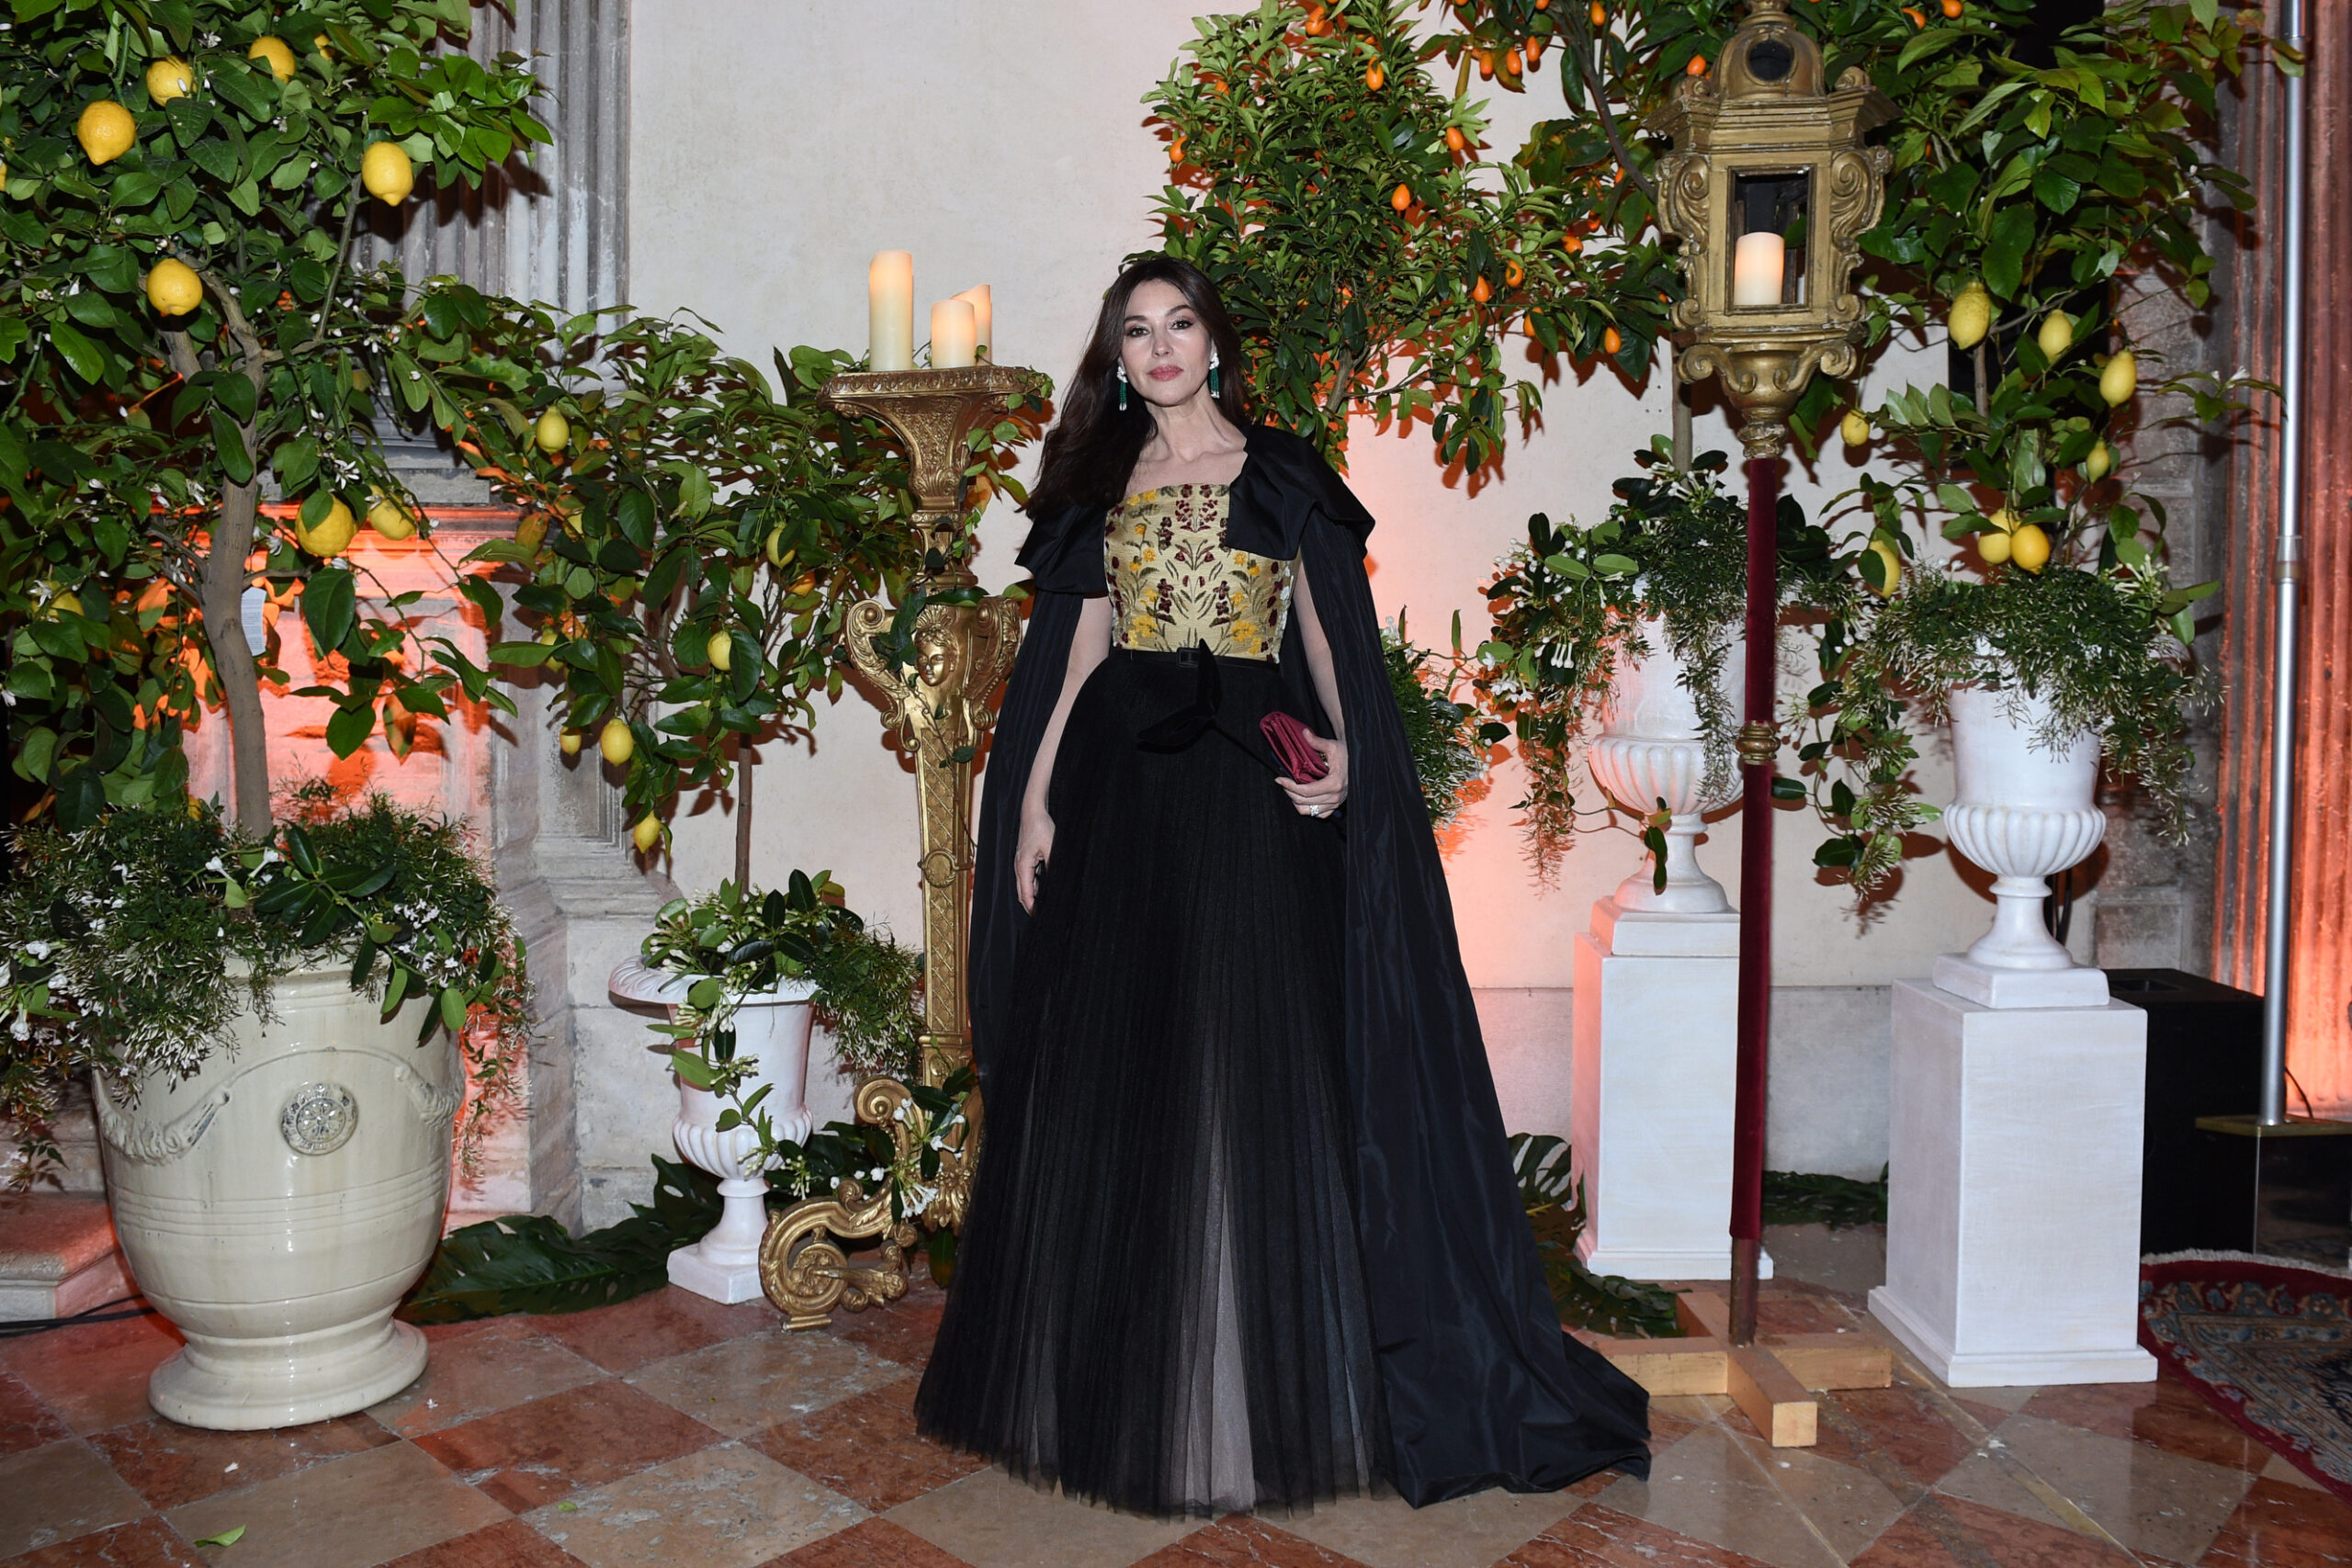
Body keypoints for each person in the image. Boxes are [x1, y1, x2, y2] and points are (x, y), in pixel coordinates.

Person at [914, 255, 1651, 1517]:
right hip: (1118, 795)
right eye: (1136, 331)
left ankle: (1250, 1387)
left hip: (1250, 791)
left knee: (1253, 1062)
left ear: (1214, 343)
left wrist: (1351, 752)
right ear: (1117, 359)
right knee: (1129, 1068)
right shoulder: (1100, 481)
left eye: (1179, 324)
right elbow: (1076, 651)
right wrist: (1031, 802)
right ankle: (1126, 1380)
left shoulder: (1280, 474)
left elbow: (1324, 633)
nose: (1160, 348)